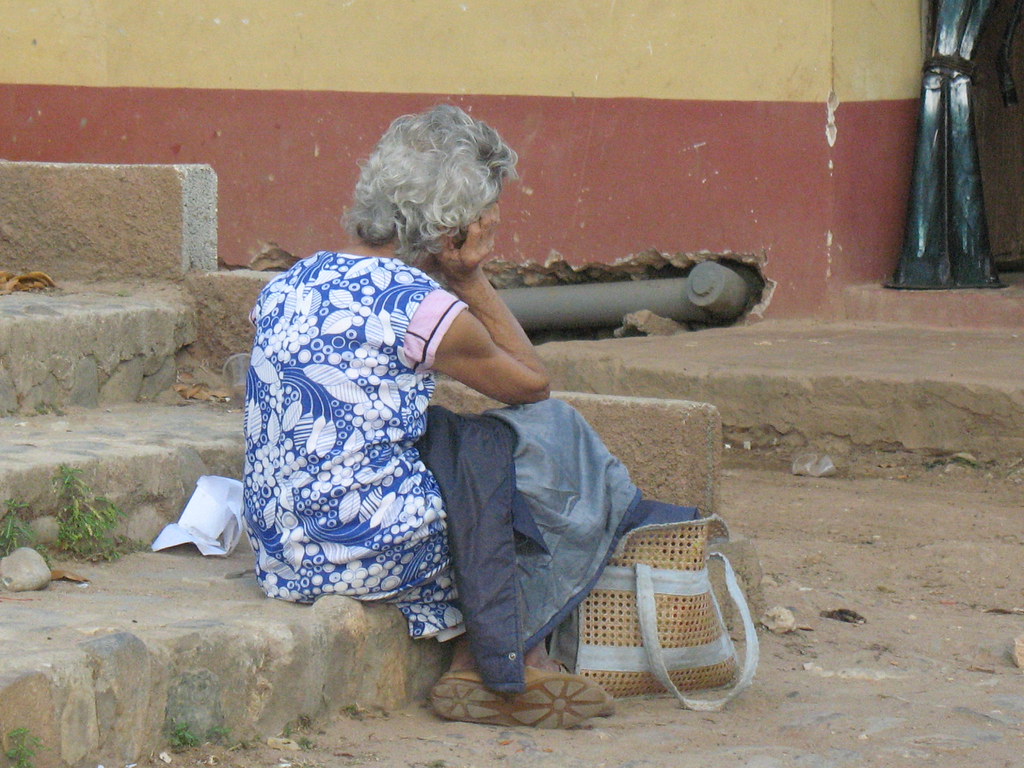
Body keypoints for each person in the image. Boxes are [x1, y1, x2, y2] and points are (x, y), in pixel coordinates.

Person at [242, 104, 698, 729]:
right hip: (363, 550)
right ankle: (510, 656)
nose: (492, 226)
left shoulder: (290, 281)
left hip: (281, 552)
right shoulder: (420, 305)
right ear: (450, 226)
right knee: (543, 450)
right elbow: (531, 385)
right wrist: (471, 278)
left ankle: (477, 660)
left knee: (465, 448)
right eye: (483, 217)